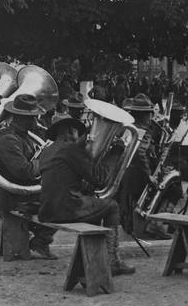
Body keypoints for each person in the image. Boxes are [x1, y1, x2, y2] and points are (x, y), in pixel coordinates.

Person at [38, 114, 135, 275]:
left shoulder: (48, 150)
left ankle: (94, 260)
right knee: (112, 207)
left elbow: (61, 178)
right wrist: (116, 152)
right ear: (70, 131)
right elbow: (100, 179)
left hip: (47, 209)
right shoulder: (71, 150)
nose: (80, 136)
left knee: (95, 205)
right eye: (78, 132)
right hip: (66, 208)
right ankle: (112, 261)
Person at [0, 94, 57, 259]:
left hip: (23, 193)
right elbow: (24, 171)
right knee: (63, 202)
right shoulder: (7, 140)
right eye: (33, 118)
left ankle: (40, 240)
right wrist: (45, 158)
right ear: (22, 118)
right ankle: (41, 241)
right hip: (14, 197)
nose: (36, 121)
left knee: (66, 193)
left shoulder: (23, 135)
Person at [119, 94, 169, 240]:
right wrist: (149, 176)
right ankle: (155, 223)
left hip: (127, 173)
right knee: (168, 186)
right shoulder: (142, 131)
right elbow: (140, 152)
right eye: (150, 113)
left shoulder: (130, 128)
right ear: (144, 115)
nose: (151, 117)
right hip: (138, 174)